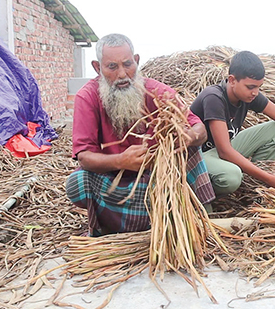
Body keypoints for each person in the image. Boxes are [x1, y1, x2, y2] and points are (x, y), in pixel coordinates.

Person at [66, 34, 215, 237]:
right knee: (78, 183)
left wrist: (187, 137)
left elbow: (199, 129)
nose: (122, 74)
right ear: (97, 67)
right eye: (112, 67)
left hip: (157, 182)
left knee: (191, 150)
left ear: (136, 61)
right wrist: (120, 161)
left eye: (127, 64)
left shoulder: (157, 92)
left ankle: (191, 217)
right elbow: (84, 156)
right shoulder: (88, 97)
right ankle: (141, 220)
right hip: (117, 184)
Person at [190, 51, 275, 196]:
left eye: (259, 87)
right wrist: (271, 179)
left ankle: (255, 182)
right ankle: (208, 195)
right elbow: (224, 151)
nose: (255, 92)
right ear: (232, 80)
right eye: (250, 87)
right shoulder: (214, 98)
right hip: (199, 158)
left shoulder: (248, 96)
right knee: (231, 177)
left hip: (221, 152)